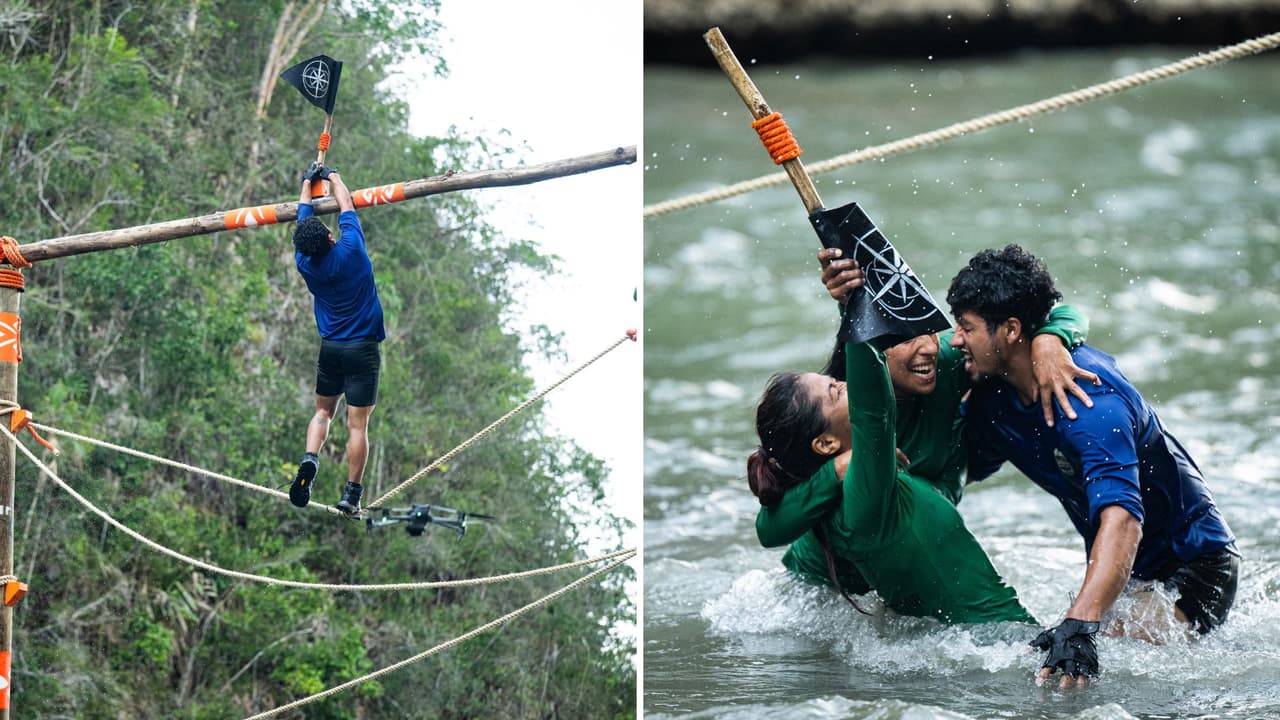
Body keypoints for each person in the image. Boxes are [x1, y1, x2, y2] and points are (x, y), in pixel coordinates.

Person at [946, 244, 1239, 687]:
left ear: (1009, 330)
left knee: (1060, 671)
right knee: (1043, 664)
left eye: (965, 327)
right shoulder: (993, 399)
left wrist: (1081, 623)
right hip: (1129, 570)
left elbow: (1123, 521)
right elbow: (952, 466)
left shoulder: (1093, 401)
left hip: (1195, 567)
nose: (955, 339)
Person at [754, 249, 1096, 594]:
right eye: (903, 338)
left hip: (906, 571)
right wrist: (838, 470)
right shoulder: (840, 417)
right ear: (869, 358)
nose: (928, 347)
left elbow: (1065, 312)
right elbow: (769, 530)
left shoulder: (946, 361)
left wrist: (1050, 341)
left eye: (929, 328)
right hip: (824, 586)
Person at [288, 163, 385, 515]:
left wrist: (305, 183)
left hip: (331, 349)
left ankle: (310, 458)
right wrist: (334, 177)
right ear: (330, 238)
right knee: (357, 424)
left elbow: (302, 219)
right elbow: (346, 205)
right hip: (362, 350)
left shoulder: (305, 262)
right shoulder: (352, 252)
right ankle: (351, 494)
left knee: (322, 412)